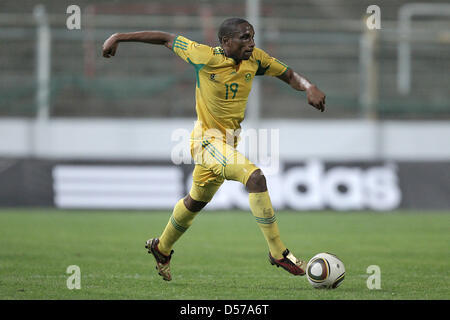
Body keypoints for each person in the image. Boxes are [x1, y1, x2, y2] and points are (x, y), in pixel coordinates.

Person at [102, 17, 326, 281]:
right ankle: (278, 252)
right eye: (244, 38)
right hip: (207, 142)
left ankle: (161, 248)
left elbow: (288, 74)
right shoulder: (204, 56)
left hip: (228, 144)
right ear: (225, 42)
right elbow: (165, 38)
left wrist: (309, 87)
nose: (251, 43)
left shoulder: (256, 59)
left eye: (252, 37)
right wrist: (118, 36)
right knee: (255, 177)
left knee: (195, 202)